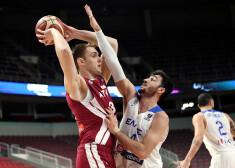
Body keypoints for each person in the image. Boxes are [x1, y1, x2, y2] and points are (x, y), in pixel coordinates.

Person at [85, 5, 174, 168]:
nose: (146, 79)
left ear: (161, 90)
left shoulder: (160, 117)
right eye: (149, 77)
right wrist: (97, 31)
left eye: (153, 79)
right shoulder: (131, 96)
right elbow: (113, 64)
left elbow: (143, 152)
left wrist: (116, 131)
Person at [36, 6, 119, 168]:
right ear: (81, 62)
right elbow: (66, 54)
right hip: (93, 151)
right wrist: (55, 33)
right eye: (94, 56)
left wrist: (75, 33)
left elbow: (112, 44)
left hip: (106, 152)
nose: (100, 59)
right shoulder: (79, 85)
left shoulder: (101, 80)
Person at [175, 93, 235, 168]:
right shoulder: (225, 115)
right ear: (211, 103)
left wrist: (187, 159)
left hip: (221, 156)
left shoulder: (199, 116)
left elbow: (198, 138)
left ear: (198, 106)